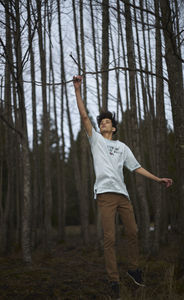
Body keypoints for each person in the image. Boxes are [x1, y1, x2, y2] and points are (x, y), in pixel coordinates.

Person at [73, 75, 173, 299]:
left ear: (114, 128)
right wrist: (78, 90)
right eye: (101, 122)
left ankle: (134, 269)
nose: (102, 124)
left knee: (134, 232)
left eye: (106, 122)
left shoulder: (123, 147)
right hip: (105, 195)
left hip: (123, 196)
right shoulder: (96, 140)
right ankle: (113, 280)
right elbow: (83, 116)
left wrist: (158, 179)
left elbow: (137, 167)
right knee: (109, 238)